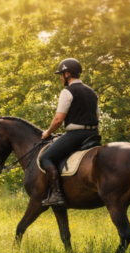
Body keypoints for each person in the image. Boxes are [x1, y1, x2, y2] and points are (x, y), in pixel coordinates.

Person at [39, 58, 100, 206]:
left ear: (67, 74)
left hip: (76, 135)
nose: (60, 78)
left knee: (45, 157)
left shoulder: (67, 91)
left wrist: (47, 132)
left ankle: (56, 195)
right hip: (93, 135)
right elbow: (97, 116)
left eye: (61, 74)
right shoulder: (91, 92)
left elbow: (59, 119)